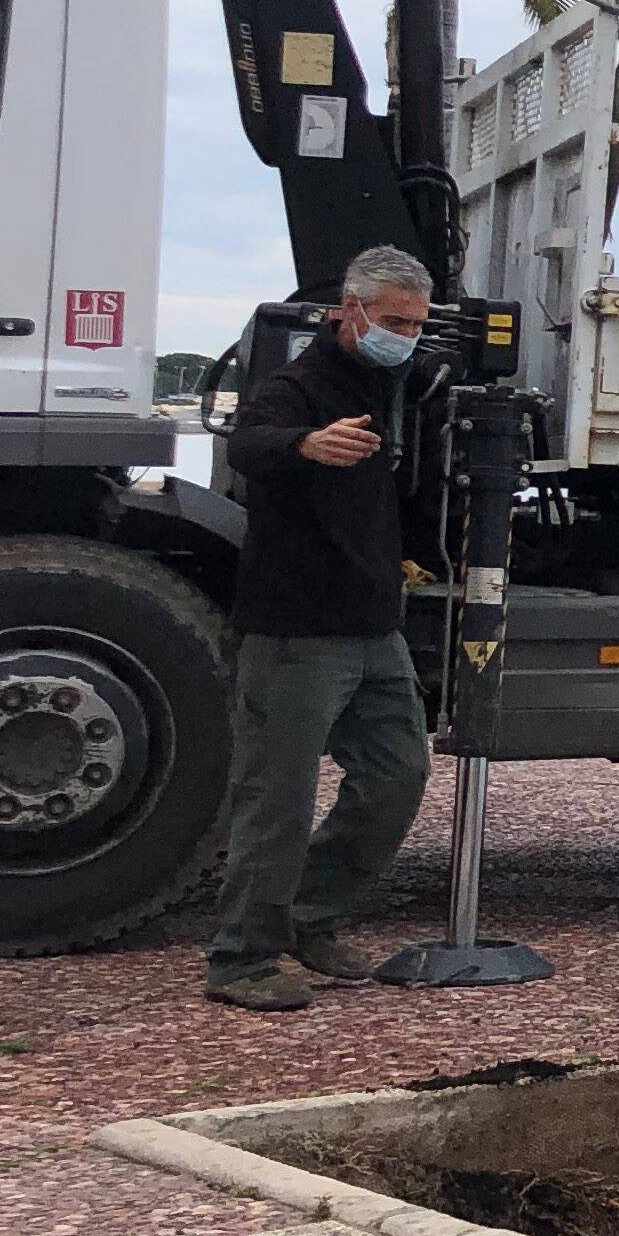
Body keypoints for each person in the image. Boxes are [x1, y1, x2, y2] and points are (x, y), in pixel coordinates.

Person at [203, 245, 436, 1011]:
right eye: (392, 320)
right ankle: (242, 959)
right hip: (296, 629)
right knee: (277, 798)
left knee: (397, 778)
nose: (403, 334)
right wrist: (306, 444)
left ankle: (313, 914)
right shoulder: (296, 385)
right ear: (350, 309)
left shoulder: (393, 379)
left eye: (414, 322)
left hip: (375, 627)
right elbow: (246, 442)